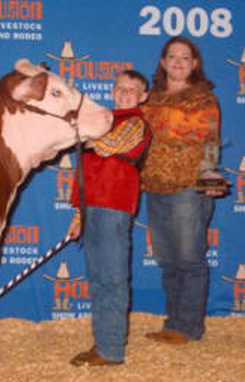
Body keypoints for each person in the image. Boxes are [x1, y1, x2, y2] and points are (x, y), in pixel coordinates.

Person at [141, 36, 227, 345]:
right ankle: (173, 323)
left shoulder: (203, 99)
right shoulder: (149, 99)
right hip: (153, 186)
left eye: (185, 57)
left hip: (189, 187)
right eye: (172, 56)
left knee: (189, 259)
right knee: (167, 260)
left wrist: (208, 178)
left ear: (195, 64)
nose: (178, 62)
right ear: (163, 62)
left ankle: (188, 327)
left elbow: (210, 142)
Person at [66, 70, 151, 366]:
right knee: (100, 278)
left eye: (132, 89)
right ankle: (103, 341)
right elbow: (84, 175)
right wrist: (77, 216)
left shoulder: (135, 122)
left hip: (114, 207)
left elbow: (107, 146)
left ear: (143, 96)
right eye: (120, 88)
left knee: (112, 278)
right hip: (92, 208)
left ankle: (112, 349)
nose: (125, 93)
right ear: (112, 91)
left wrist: (81, 132)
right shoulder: (104, 119)